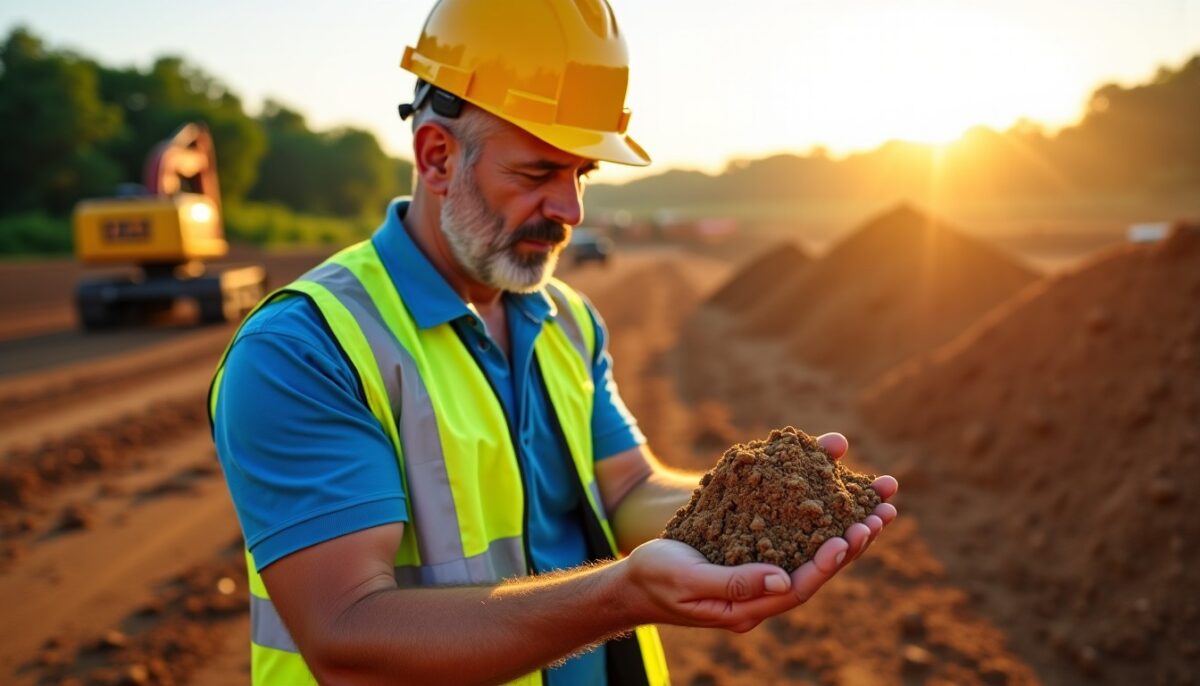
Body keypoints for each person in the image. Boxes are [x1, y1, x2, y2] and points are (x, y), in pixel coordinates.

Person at [209, 1, 898, 684]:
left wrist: (754, 502)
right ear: (437, 156)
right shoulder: (304, 351)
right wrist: (623, 594)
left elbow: (627, 488)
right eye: (538, 173)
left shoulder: (566, 318)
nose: (570, 210)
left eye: (581, 174)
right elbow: (347, 636)